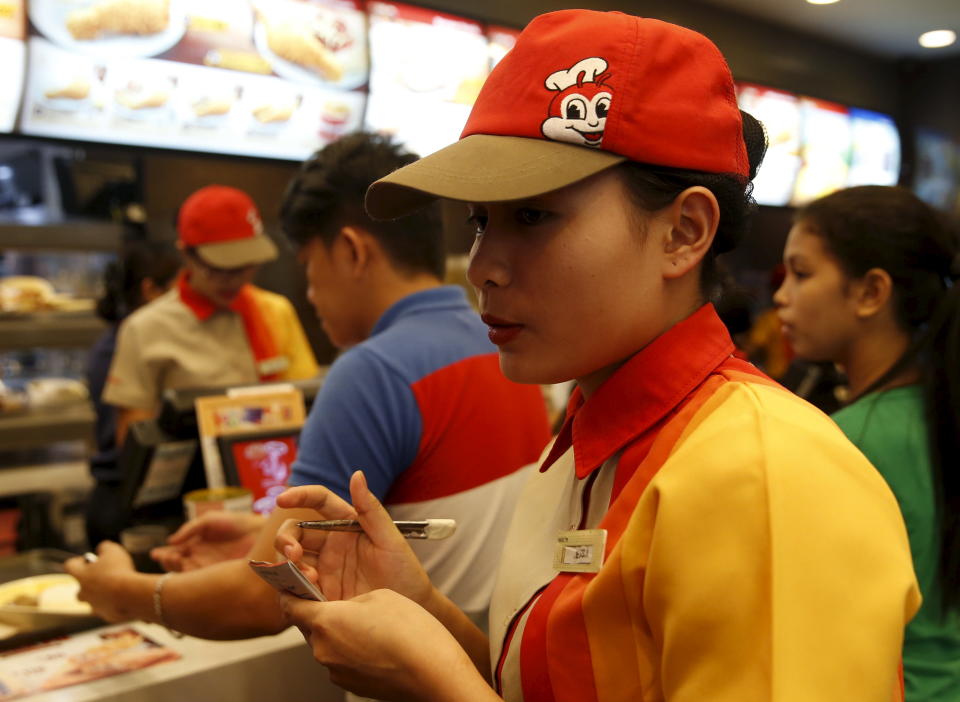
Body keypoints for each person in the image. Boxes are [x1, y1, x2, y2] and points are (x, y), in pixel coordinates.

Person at [271, 11, 921, 702]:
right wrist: (426, 614)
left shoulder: (766, 476)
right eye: (481, 221)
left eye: (533, 215)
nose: (483, 266)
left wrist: (434, 683)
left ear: (684, 232)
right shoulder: (592, 437)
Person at [65, 134, 551, 640]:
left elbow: (265, 597)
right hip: (488, 655)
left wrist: (122, 590)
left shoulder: (372, 371)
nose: (311, 295)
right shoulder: (493, 340)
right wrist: (265, 536)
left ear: (351, 250)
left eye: (308, 268)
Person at [774, 185, 960, 701]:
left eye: (802, 273)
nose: (781, 294)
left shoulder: (846, 441)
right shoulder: (937, 412)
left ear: (871, 293)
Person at [102, 184, 319, 444]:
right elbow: (134, 438)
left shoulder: (275, 310)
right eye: (219, 268)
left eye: (245, 267)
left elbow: (305, 404)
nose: (233, 281)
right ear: (186, 254)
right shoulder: (144, 329)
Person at [85, 238, 180, 545]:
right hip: (124, 496)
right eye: (177, 290)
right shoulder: (129, 341)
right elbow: (133, 438)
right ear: (151, 289)